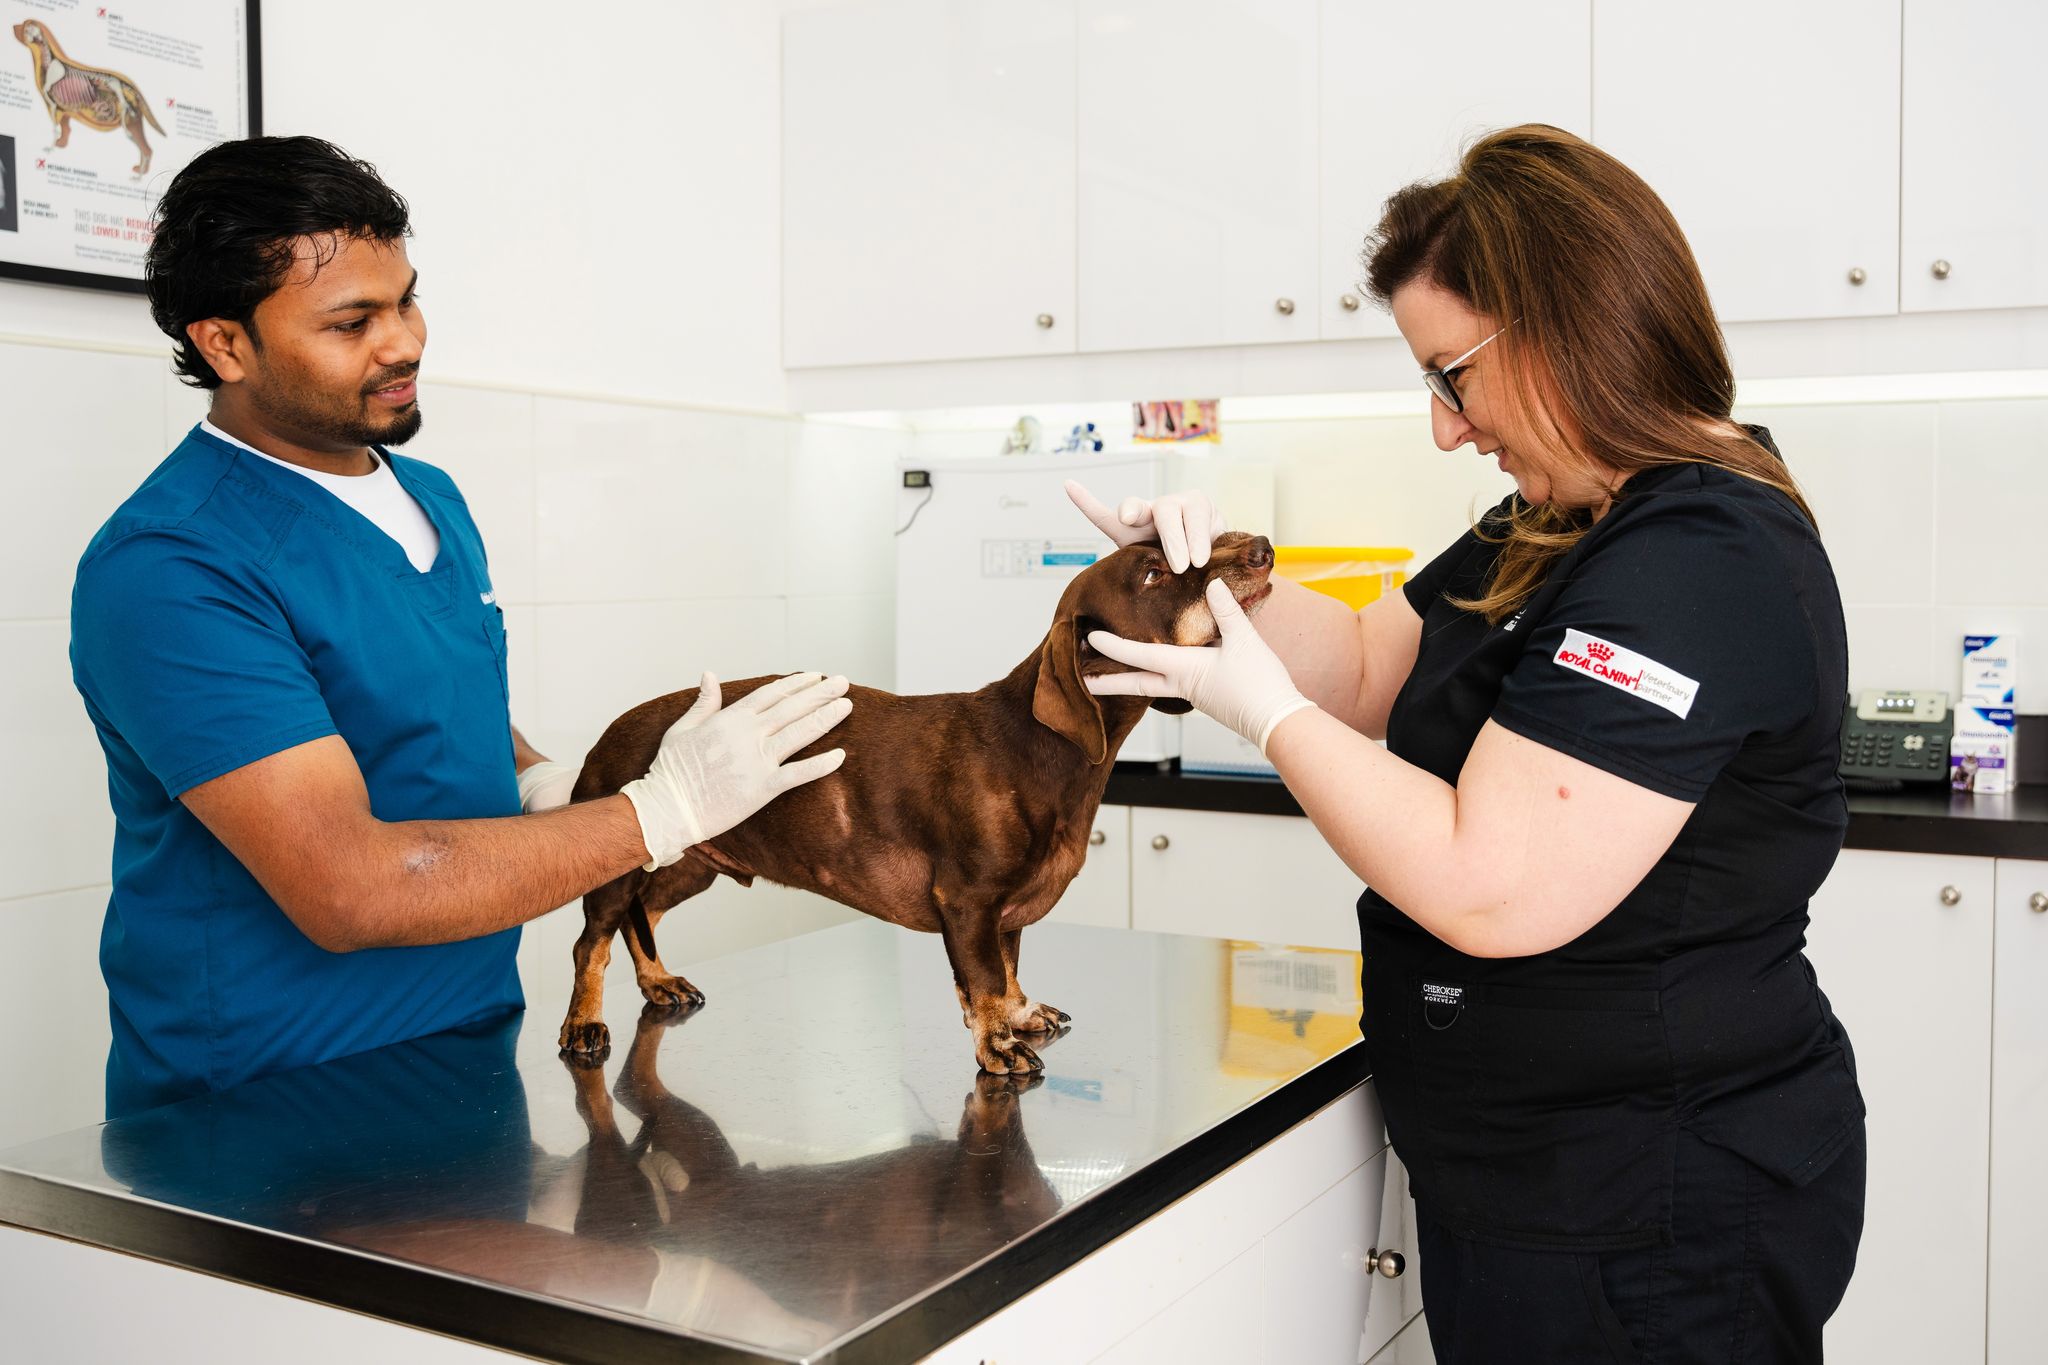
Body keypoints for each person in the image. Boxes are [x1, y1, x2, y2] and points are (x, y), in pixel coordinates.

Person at [1071, 125, 1865, 1362]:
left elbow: (1491, 888)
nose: (1443, 426)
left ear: (1565, 326)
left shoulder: (1698, 558)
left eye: (1451, 375)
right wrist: (1203, 583)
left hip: (1647, 1203)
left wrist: (1263, 717)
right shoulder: (1561, 511)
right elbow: (1379, 669)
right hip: (1538, 1177)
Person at [70, 136, 851, 1118]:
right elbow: (352, 888)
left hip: (469, 1045)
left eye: (404, 300)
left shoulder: (426, 496)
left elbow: (442, 720)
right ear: (225, 343)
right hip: (266, 1098)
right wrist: (657, 815)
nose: (403, 342)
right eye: (353, 321)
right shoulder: (172, 566)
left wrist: (549, 784)